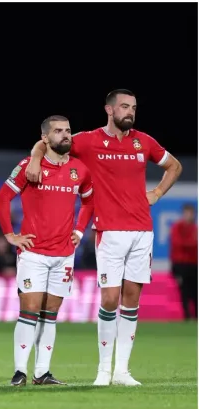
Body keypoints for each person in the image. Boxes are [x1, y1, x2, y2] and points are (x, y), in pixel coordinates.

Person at [24, 89, 183, 386]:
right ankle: (103, 371)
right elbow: (50, 143)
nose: (130, 111)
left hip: (142, 231)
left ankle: (122, 371)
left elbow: (174, 166)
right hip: (109, 231)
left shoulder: (144, 141)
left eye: (133, 107)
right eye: (124, 106)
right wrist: (35, 157)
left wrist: (157, 193)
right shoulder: (88, 140)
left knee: (132, 299)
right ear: (109, 110)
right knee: (110, 298)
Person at [0, 115, 94, 386]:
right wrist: (10, 235)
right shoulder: (29, 166)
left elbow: (88, 202)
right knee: (29, 310)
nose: (65, 135)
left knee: (50, 314)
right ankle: (19, 371)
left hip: (64, 255)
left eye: (68, 131)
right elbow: (2, 198)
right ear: (45, 138)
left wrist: (79, 231)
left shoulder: (80, 169)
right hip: (33, 253)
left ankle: (42, 372)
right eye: (58, 131)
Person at [170, 203, 197, 320]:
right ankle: (186, 316)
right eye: (187, 213)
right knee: (184, 291)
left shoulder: (195, 228)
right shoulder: (177, 227)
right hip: (180, 264)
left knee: (195, 291)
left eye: (191, 213)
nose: (189, 216)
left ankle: (196, 316)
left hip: (194, 264)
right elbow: (177, 243)